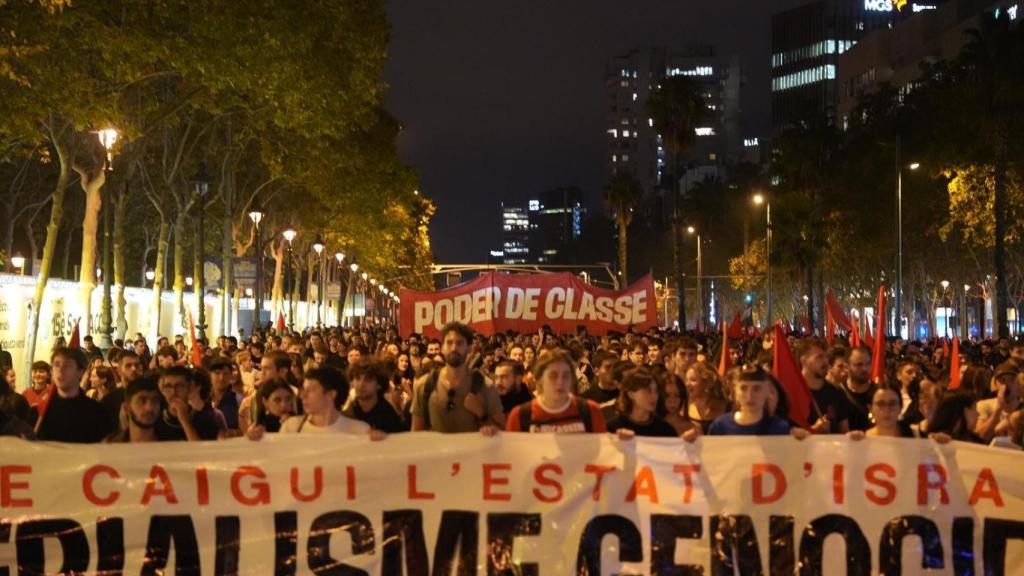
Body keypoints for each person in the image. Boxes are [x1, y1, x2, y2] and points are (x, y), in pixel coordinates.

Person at [411, 323, 505, 434]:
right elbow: (416, 433)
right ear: (442, 348)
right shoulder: (425, 385)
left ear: (469, 348)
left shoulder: (486, 386)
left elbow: (501, 432)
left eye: (460, 343)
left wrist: (481, 412)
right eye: (449, 343)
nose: (454, 348)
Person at [506, 350, 606, 433]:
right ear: (539, 380)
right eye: (553, 376)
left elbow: (604, 452)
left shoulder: (590, 411)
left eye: (566, 376)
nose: (560, 382)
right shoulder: (520, 416)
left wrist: (619, 443)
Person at [691, 366, 807, 438]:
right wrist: (688, 446)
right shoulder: (720, 426)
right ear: (735, 391)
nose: (750, 396)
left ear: (767, 392)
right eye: (743, 388)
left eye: (757, 389)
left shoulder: (780, 428)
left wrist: (804, 442)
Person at [35, 348, 112, 443]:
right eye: (56, 365)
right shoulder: (40, 412)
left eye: (67, 365)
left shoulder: (97, 412)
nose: (60, 370)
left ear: (81, 371)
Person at [798, 338, 851, 434]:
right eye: (819, 357)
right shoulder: (791, 393)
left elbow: (844, 433)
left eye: (826, 357)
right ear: (804, 361)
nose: (825, 362)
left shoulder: (836, 393)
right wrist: (813, 430)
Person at [607, 368, 677, 437]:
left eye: (656, 391)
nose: (654, 396)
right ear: (631, 394)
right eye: (648, 390)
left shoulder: (665, 430)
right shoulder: (613, 429)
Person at [343, 359, 404, 433]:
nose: (361, 384)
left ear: (379, 384)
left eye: (368, 379)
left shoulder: (389, 416)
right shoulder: (346, 416)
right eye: (357, 378)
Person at [106, 377, 167, 443]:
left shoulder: (172, 443)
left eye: (155, 401)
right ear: (126, 408)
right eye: (142, 401)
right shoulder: (111, 445)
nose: (149, 407)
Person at [848, 386, 920, 439]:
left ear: (900, 407)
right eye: (880, 404)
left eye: (892, 404)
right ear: (870, 408)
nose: (887, 409)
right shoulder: (862, 440)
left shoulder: (917, 436)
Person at [974, 362, 1021, 442]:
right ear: (995, 384)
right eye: (1002, 380)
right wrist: (998, 409)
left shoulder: (1021, 410)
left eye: (1011, 379)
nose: (1006, 384)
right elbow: (979, 437)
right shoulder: (984, 405)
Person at [156, 366, 202, 441]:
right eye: (168, 386)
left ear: (189, 388)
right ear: (162, 390)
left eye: (179, 386)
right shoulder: (156, 419)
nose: (173, 392)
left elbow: (201, 451)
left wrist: (184, 420)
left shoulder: (203, 418)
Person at [683, 362, 728, 434]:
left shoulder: (728, 408)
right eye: (686, 380)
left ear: (707, 382)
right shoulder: (683, 407)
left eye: (693, 380)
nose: (687, 384)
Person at [841, 347, 874, 432]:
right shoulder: (839, 393)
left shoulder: (878, 392)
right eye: (859, 365)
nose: (865, 369)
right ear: (847, 366)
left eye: (868, 364)